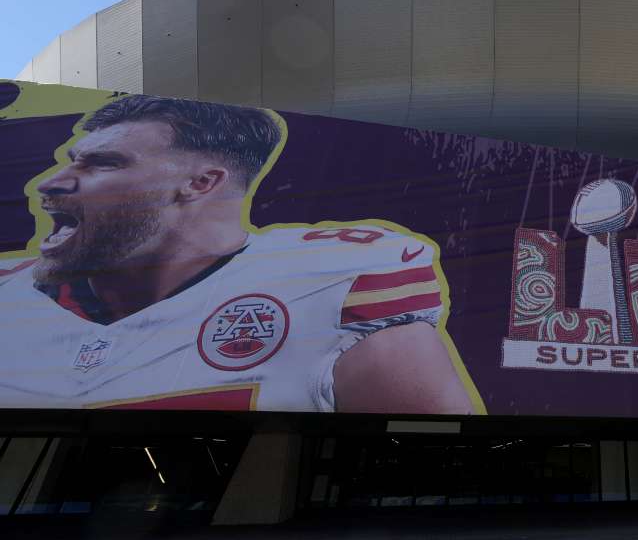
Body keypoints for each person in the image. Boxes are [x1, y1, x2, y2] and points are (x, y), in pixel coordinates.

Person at [0, 94, 475, 414]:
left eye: (103, 163)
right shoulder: (10, 292)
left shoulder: (334, 282)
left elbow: (433, 445)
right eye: (72, 160)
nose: (50, 182)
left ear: (201, 183)